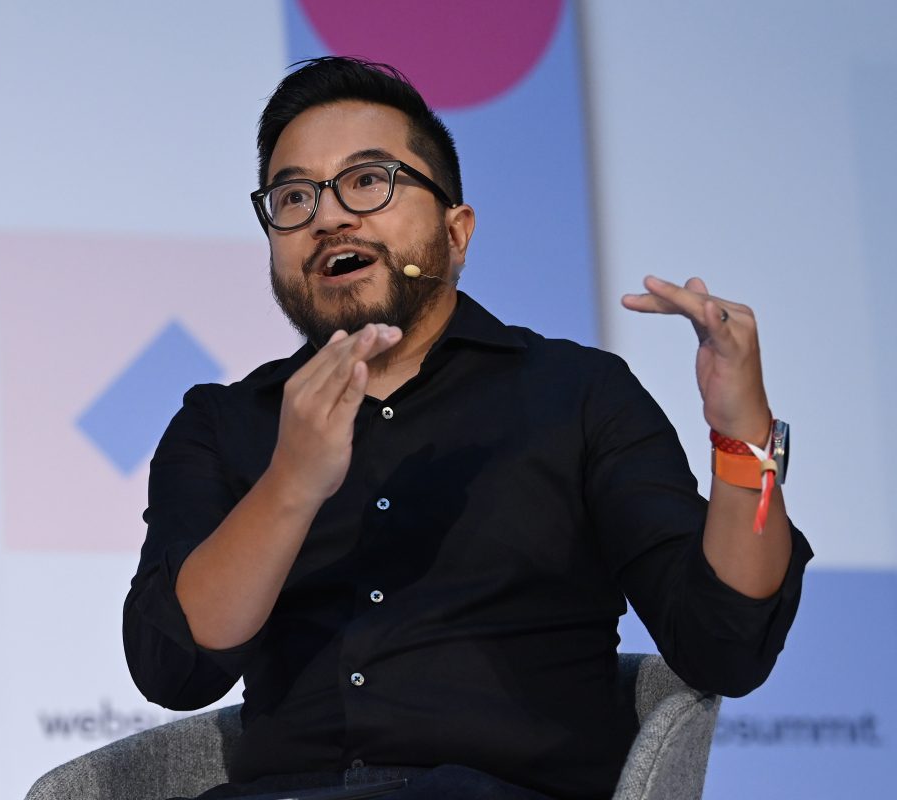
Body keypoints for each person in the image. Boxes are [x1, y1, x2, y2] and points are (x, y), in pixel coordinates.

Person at [123, 57, 811, 800]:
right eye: (294, 197)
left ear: (457, 233)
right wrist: (290, 485)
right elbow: (175, 667)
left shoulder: (576, 395)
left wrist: (742, 432)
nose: (327, 217)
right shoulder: (224, 425)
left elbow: (723, 647)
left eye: (367, 181)